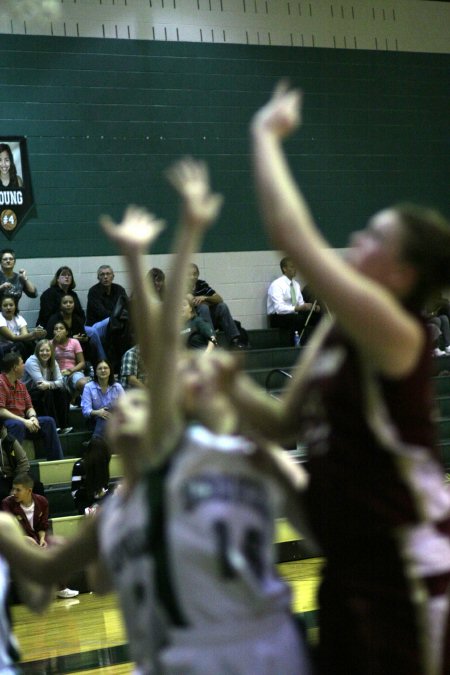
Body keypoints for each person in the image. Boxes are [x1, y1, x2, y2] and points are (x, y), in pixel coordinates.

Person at [0, 158, 312, 675]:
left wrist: (166, 238)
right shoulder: (117, 511)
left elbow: (162, 340)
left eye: (141, 401)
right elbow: (52, 569)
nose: (129, 404)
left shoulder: (225, 459)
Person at [226, 84, 450, 675]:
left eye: (374, 237)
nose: (356, 242)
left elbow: (291, 234)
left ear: (402, 274)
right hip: (349, 571)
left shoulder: (400, 331)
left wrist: (265, 134)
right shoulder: (336, 331)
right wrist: (224, 388)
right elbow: (281, 421)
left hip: (409, 574)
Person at [2, 473, 78, 599]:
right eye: (13, 489)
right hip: (14, 542)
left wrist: (42, 539)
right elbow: (10, 528)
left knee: (56, 546)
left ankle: (60, 588)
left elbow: (43, 526)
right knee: (37, 550)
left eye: (18, 490)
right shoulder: (7, 503)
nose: (14, 492)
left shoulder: (42, 502)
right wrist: (25, 539)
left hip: (36, 538)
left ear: (29, 490)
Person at [0, 351, 63, 460]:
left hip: (21, 421)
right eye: (22, 363)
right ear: (15, 367)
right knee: (17, 425)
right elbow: (1, 411)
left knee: (48, 422)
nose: (24, 365)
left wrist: (33, 418)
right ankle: (13, 465)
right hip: (5, 423)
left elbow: (29, 407)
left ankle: (56, 461)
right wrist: (24, 421)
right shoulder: (1, 383)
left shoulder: (21, 385)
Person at [188, 263, 246, 349]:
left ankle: (235, 340)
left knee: (222, 306)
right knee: (203, 307)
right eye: (189, 274)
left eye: (195, 274)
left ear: (198, 274)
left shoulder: (202, 284)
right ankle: (212, 340)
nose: (193, 277)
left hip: (207, 318)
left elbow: (219, 299)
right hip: (193, 321)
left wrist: (205, 298)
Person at [23, 339, 72, 433]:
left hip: (46, 389)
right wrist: (52, 384)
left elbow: (61, 382)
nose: (45, 353)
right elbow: (40, 384)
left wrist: (49, 384)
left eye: (47, 350)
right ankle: (54, 426)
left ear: (51, 351)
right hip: (29, 393)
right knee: (47, 392)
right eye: (41, 350)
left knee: (63, 391)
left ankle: (64, 425)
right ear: (37, 351)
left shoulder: (53, 361)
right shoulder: (31, 361)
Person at [267, 256, 321, 340]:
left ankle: (316, 342)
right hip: (277, 316)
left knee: (318, 316)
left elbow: (301, 304)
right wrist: (297, 308)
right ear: (284, 269)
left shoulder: (296, 285)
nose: (295, 269)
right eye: (292, 266)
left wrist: (311, 307)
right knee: (298, 319)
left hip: (293, 314)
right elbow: (279, 309)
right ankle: (294, 344)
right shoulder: (277, 285)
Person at [81, 360, 124, 438]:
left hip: (115, 419)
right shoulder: (88, 387)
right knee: (103, 418)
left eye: (105, 368)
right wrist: (98, 412)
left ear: (110, 371)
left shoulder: (117, 387)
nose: (103, 370)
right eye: (100, 368)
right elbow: (85, 411)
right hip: (95, 420)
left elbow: (125, 407)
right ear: (96, 372)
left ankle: (96, 442)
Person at [37, 266, 85, 331]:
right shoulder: (49, 293)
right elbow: (46, 316)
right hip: (53, 328)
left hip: (73, 327)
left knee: (92, 332)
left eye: (69, 275)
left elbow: (80, 314)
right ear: (57, 279)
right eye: (63, 275)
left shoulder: (73, 294)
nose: (67, 277)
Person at [71, 436, 110, 515]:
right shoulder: (79, 466)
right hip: (84, 501)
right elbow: (74, 492)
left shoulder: (103, 463)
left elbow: (105, 485)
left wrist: (103, 492)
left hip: (101, 500)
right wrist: (93, 494)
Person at [0, 294, 46, 359]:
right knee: (21, 345)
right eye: (5, 305)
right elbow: (13, 338)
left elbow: (25, 335)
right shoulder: (0, 318)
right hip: (3, 348)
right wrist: (33, 334)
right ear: (1, 307)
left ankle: (34, 363)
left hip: (17, 345)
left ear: (15, 306)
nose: (8, 307)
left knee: (31, 343)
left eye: (11, 305)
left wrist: (38, 334)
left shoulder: (18, 317)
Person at [52, 321, 89, 401]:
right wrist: (54, 344)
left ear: (66, 332)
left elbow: (82, 363)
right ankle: (73, 399)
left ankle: (77, 399)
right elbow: (47, 362)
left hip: (73, 371)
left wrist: (71, 370)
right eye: (56, 329)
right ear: (53, 332)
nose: (58, 330)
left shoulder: (74, 342)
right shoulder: (50, 344)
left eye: (61, 328)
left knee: (83, 383)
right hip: (57, 374)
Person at [0, 423, 29, 502]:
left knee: (37, 485)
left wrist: (17, 483)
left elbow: (23, 462)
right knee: (2, 492)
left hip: (13, 475)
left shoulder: (10, 440)